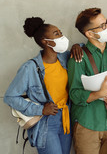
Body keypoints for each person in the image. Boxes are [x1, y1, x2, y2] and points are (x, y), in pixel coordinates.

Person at [4, 17, 72, 154]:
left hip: (66, 118)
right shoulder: (30, 67)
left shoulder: (65, 58)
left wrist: (78, 46)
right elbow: (10, 97)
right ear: (45, 42)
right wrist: (40, 110)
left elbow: (81, 49)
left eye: (60, 32)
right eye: (57, 34)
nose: (62, 37)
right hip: (46, 123)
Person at [67, 8, 107, 154]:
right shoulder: (78, 57)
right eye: (102, 26)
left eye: (106, 23)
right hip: (86, 124)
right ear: (89, 34)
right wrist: (100, 93)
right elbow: (75, 94)